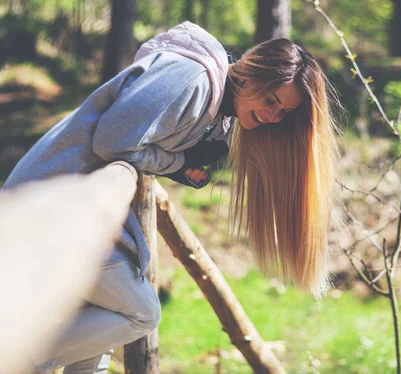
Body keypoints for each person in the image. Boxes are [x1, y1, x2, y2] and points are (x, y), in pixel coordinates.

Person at [3, 21, 339, 373]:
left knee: (96, 336)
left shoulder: (217, 113)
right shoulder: (192, 78)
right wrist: (179, 162)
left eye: (283, 112)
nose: (273, 115)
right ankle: (21, 355)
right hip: (59, 199)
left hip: (81, 202)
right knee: (140, 313)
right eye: (272, 100)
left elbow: (136, 145)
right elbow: (112, 141)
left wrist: (180, 165)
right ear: (251, 73)